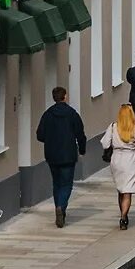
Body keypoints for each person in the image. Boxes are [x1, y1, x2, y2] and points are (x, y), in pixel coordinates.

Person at [35, 87, 87, 228]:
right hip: (68, 154)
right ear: (64, 97)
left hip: (52, 154)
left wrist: (51, 140)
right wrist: (82, 149)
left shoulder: (47, 114)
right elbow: (80, 134)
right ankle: (61, 207)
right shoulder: (72, 114)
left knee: (56, 183)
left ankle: (58, 206)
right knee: (66, 184)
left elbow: (40, 134)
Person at [100, 104, 135, 230]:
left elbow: (104, 143)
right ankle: (124, 217)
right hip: (129, 160)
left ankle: (122, 214)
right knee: (127, 190)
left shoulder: (113, 127)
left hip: (116, 159)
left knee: (120, 189)